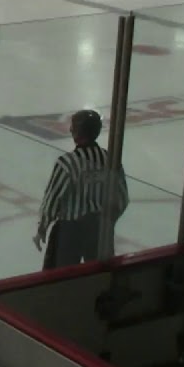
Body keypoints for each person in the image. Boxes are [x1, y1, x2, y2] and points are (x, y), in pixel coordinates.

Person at [36, 109, 129, 269]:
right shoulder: (110, 159)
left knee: (62, 278)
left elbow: (52, 199)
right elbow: (121, 198)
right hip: (100, 230)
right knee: (100, 274)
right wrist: (107, 223)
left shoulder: (66, 163)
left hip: (70, 231)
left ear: (76, 131)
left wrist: (42, 227)